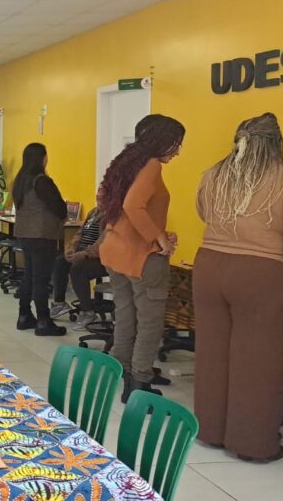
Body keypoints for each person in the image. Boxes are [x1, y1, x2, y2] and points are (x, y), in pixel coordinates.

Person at [193, 113, 283, 462]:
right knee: (257, 360)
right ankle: (251, 444)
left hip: (208, 266)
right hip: (260, 274)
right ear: (276, 143)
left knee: (211, 354)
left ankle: (210, 430)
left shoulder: (214, 174)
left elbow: (203, 212)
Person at [98, 114, 185, 402]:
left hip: (115, 251)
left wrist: (159, 232)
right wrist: (157, 238)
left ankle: (121, 371)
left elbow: (115, 205)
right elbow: (133, 205)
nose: (178, 151)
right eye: (176, 143)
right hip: (141, 259)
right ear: (161, 141)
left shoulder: (126, 163)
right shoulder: (151, 165)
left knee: (125, 317)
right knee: (149, 323)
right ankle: (139, 383)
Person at [11, 143, 68, 336]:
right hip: (42, 235)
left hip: (25, 234)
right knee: (41, 279)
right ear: (42, 158)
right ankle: (43, 321)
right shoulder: (41, 180)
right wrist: (63, 214)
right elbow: (58, 206)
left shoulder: (21, 180)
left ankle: (24, 315)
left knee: (29, 275)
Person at [50, 204, 107, 331]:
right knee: (59, 261)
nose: (99, 196)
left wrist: (85, 254)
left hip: (101, 258)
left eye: (103, 194)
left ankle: (88, 312)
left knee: (78, 269)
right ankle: (59, 303)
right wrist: (72, 248)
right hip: (82, 252)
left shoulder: (112, 214)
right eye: (98, 194)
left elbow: (104, 243)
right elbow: (80, 233)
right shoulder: (93, 212)